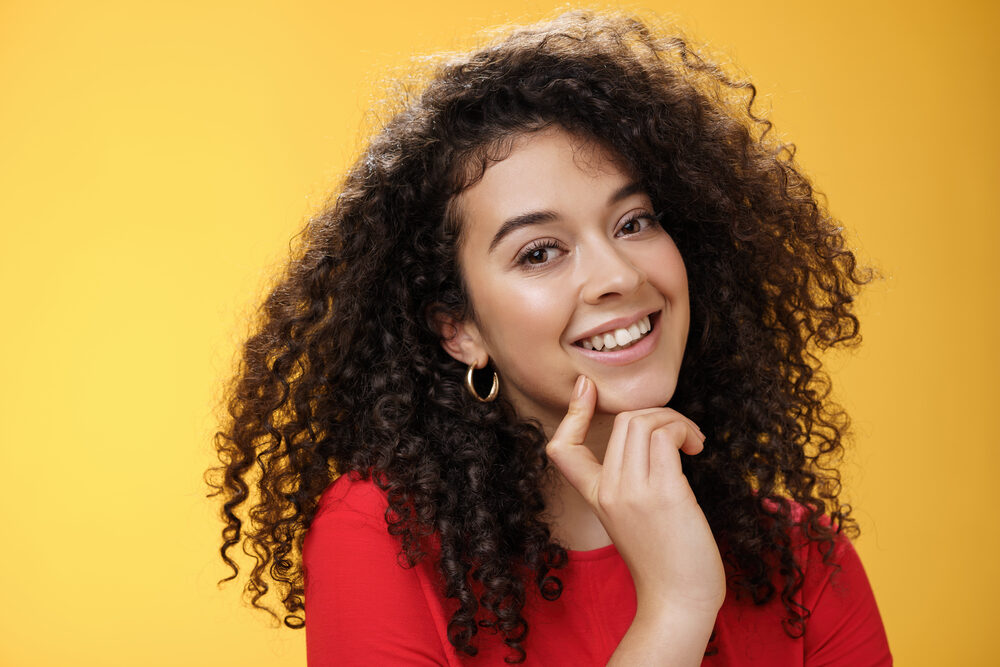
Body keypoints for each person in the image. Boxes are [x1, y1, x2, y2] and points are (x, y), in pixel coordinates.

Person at [208, 8, 892, 665]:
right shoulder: (379, 537)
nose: (617, 275)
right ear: (461, 330)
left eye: (633, 223)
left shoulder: (802, 556)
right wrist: (676, 607)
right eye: (540, 252)